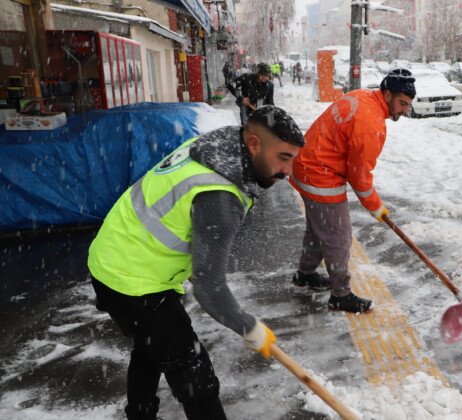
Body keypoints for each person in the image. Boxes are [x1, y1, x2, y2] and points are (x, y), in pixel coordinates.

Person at [87, 106, 305, 420]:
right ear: (254, 144)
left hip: (113, 255)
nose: (288, 171)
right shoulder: (220, 194)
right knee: (193, 374)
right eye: (283, 157)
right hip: (132, 278)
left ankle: (140, 415)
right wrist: (249, 327)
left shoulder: (214, 147)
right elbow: (209, 286)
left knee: (149, 346)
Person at [288, 69, 416, 313]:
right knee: (338, 237)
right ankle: (340, 296)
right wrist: (376, 207)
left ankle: (304, 275)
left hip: (304, 163)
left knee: (318, 227)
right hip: (320, 174)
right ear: (387, 94)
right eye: (402, 103)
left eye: (408, 105)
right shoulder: (370, 124)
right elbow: (359, 176)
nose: (404, 110)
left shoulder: (362, 96)